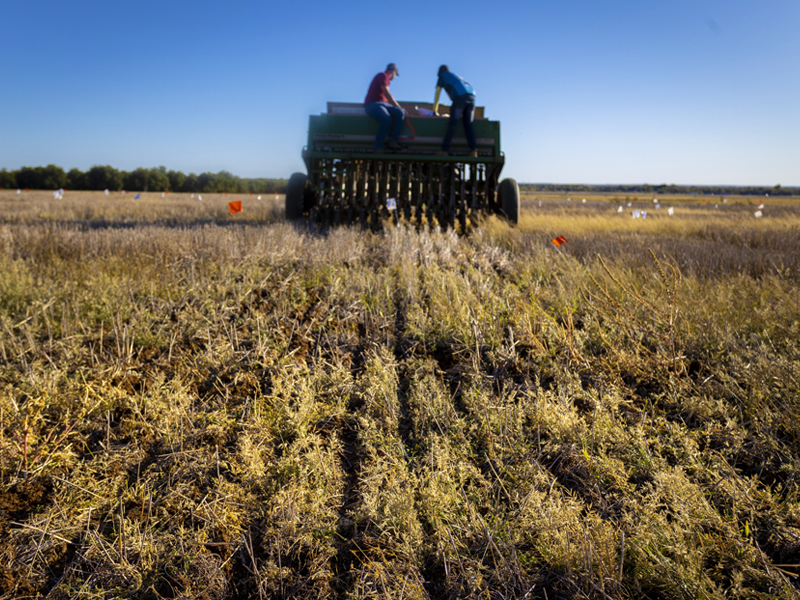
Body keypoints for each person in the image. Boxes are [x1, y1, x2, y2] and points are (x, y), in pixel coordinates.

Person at [433, 65, 477, 157]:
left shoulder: (443, 75)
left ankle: (444, 150)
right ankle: (473, 151)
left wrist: (435, 110)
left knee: (453, 124)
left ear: (439, 72)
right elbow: (452, 94)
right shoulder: (455, 77)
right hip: (472, 96)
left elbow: (437, 92)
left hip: (461, 97)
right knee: (468, 124)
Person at [364, 63, 406, 151]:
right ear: (394, 72)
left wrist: (399, 109)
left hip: (383, 104)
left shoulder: (384, 77)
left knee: (399, 112)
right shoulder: (383, 76)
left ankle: (392, 141)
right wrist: (398, 106)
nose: (393, 78)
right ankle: (378, 147)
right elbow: (387, 93)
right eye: (395, 75)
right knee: (386, 118)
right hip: (373, 104)